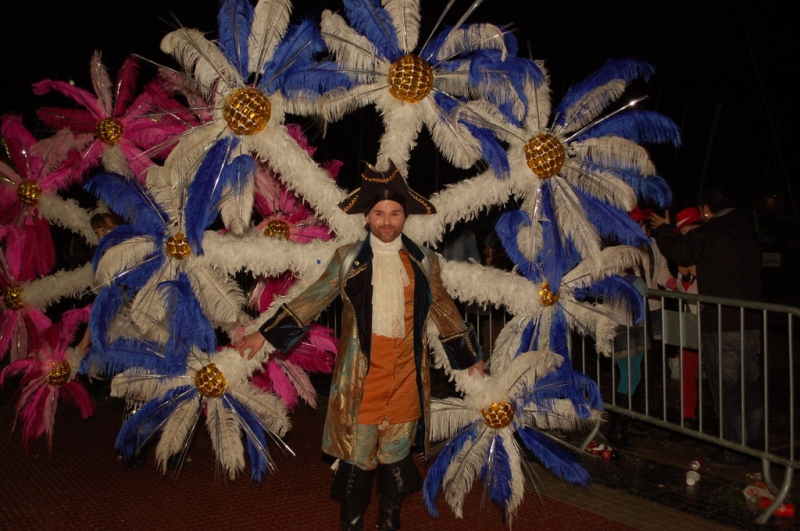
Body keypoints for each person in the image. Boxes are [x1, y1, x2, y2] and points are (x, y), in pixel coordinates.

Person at [237, 161, 484, 531]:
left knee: (396, 460)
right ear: (367, 216)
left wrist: (468, 358)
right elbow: (311, 300)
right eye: (379, 213)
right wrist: (264, 334)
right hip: (360, 382)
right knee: (357, 461)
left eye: (395, 213)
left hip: (405, 383)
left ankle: (389, 523)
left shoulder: (423, 260)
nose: (387, 221)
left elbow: (445, 311)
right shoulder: (347, 258)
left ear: (405, 217)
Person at [650, 189, 763, 464]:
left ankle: (733, 449)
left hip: (723, 323)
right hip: (749, 322)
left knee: (726, 388)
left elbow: (682, 251)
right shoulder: (748, 231)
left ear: (706, 211)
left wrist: (664, 230)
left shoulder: (714, 232)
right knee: (749, 387)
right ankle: (754, 445)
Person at [663, 207, 703, 433]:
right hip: (691, 317)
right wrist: (685, 276)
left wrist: (698, 272)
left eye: (683, 229)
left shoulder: (708, 248)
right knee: (687, 371)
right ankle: (688, 418)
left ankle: (724, 420)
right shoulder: (686, 252)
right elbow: (681, 287)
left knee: (719, 373)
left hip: (711, 318)